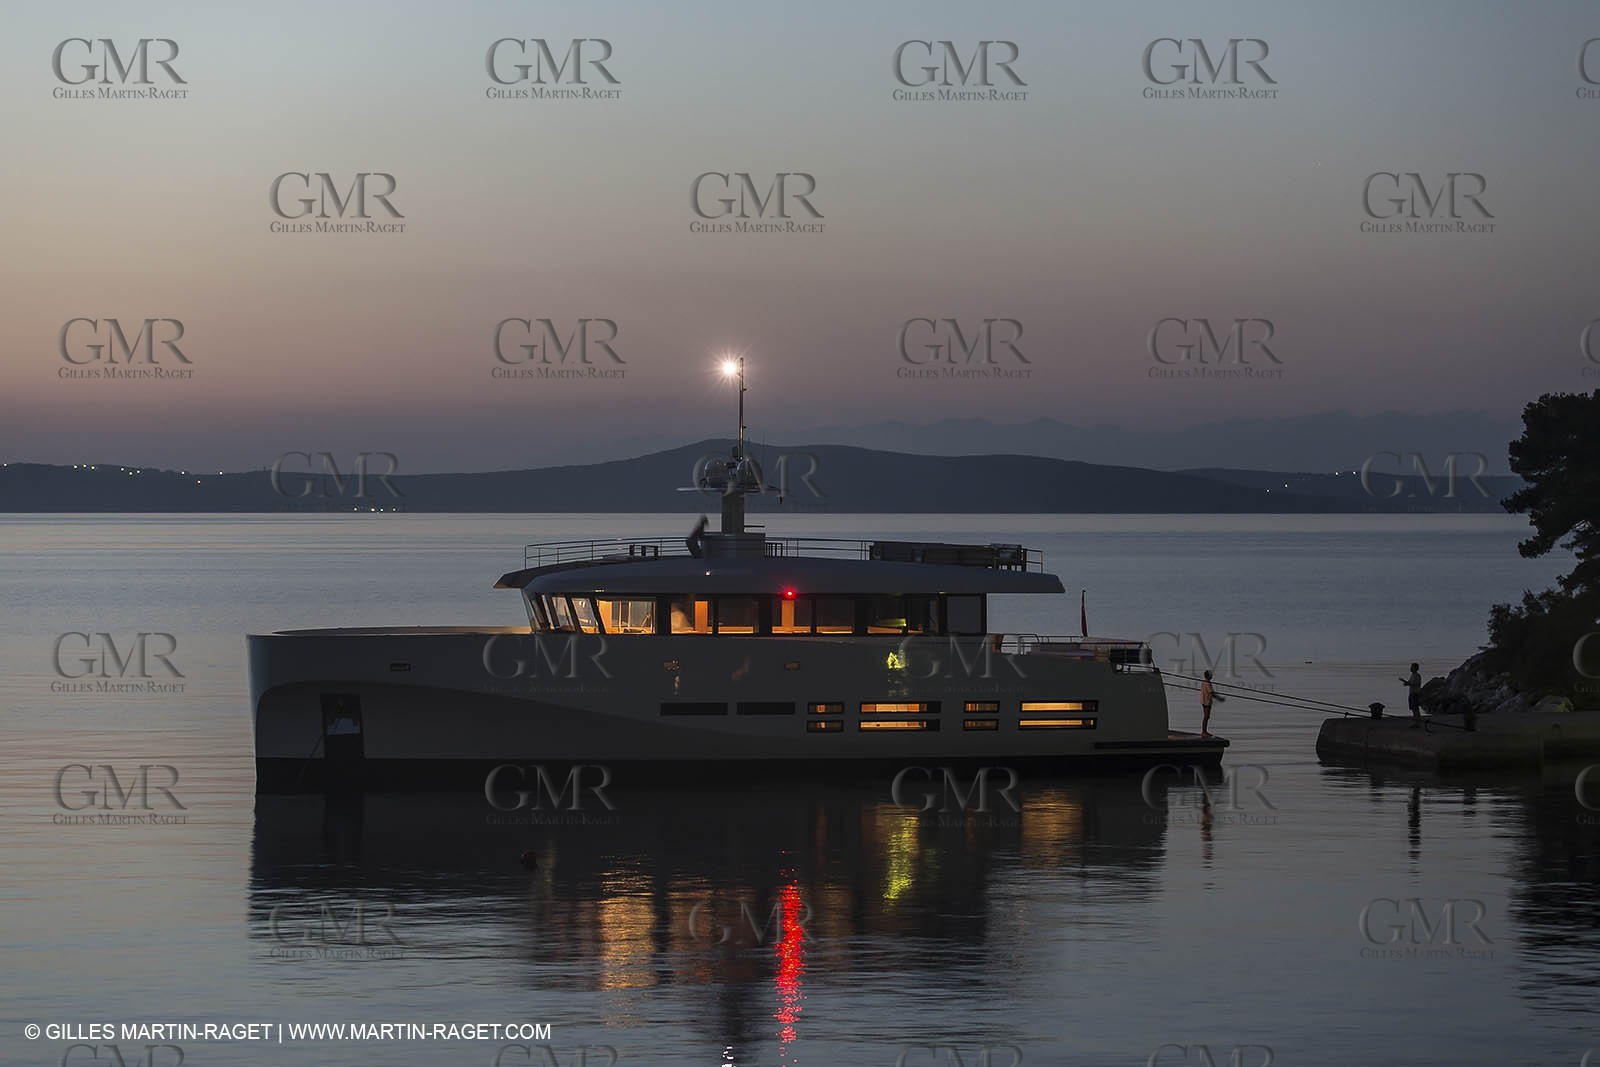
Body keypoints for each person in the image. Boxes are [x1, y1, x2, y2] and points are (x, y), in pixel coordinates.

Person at [1200, 669, 1225, 738]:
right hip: (1207, 702)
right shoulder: (1208, 683)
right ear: (1209, 676)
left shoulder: (1203, 682)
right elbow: (1212, 693)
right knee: (1206, 716)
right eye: (1211, 675)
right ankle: (1204, 732)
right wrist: (1220, 698)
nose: (1212, 676)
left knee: (1206, 716)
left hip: (1203, 701)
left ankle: (1204, 731)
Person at [1399, 663, 1423, 727]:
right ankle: (1416, 722)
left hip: (1415, 693)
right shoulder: (1412, 675)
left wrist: (1407, 683)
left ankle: (1417, 722)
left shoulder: (1417, 675)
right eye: (1411, 667)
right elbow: (1410, 682)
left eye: (1412, 667)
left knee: (1415, 708)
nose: (1411, 668)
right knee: (1413, 708)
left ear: (1415, 668)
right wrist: (1405, 682)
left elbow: (1416, 684)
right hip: (1412, 693)